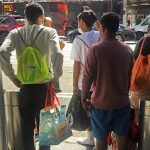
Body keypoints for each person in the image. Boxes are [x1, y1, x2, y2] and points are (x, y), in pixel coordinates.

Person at [0, 3, 63, 150]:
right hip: (45, 89)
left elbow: (2, 51)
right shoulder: (50, 32)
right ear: (41, 17)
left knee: (27, 129)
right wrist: (56, 77)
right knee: (47, 131)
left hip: (25, 89)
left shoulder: (16, 33)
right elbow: (58, 54)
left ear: (26, 17)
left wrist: (13, 77)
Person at [82, 12, 134, 150]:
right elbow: (129, 79)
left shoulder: (95, 50)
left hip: (100, 105)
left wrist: (83, 97)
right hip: (122, 105)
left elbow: (87, 77)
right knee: (122, 143)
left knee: (101, 143)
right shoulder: (127, 50)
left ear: (103, 28)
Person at [71, 10, 100, 146]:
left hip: (85, 82)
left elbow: (77, 64)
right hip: (101, 81)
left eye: (79, 21)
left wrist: (74, 84)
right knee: (99, 109)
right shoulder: (100, 35)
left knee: (87, 109)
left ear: (81, 22)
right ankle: (103, 138)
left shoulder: (78, 40)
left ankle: (90, 137)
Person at [130, 24, 150, 122]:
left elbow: (134, 59)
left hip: (140, 87)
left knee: (138, 114)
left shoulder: (143, 41)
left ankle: (140, 133)